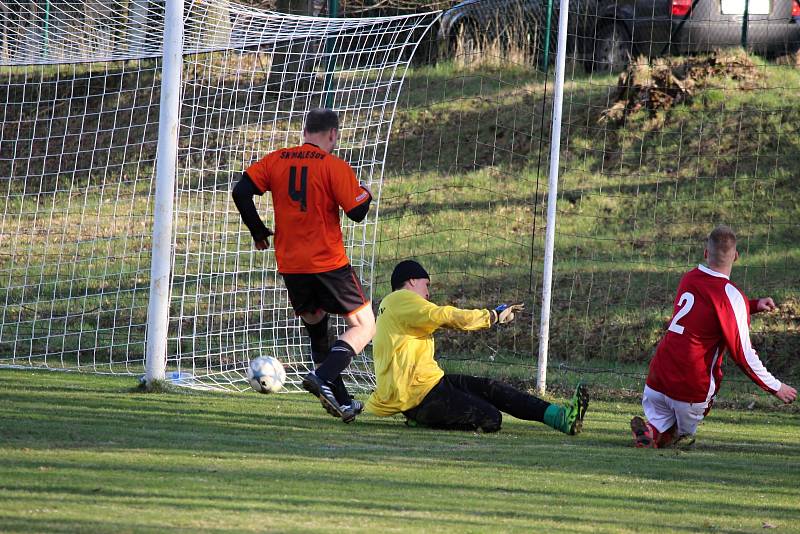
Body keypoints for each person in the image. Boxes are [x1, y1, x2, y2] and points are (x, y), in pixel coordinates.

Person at [232, 108, 376, 423]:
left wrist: (258, 230)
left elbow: (241, 191)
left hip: (291, 264)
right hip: (327, 262)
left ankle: (342, 402)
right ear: (333, 134)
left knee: (317, 330)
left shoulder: (277, 159)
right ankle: (322, 376)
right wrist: (366, 193)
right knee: (365, 325)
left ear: (305, 131)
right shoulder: (334, 166)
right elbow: (356, 212)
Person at [365, 260, 589, 434]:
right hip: (419, 397)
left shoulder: (396, 308)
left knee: (491, 387)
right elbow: (444, 315)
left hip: (430, 385)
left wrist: (493, 315)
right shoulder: (401, 299)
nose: (428, 293)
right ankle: (420, 419)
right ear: (412, 281)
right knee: (491, 418)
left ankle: (561, 417)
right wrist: (490, 316)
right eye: (427, 285)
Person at [630, 225, 797, 448]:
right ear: (736, 256)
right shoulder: (731, 295)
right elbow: (744, 354)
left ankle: (652, 430)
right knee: (681, 432)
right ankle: (668, 435)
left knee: (661, 421)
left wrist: (754, 305)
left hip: (657, 380)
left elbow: (712, 308)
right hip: (690, 387)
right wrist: (776, 387)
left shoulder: (689, 279)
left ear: (706, 253)